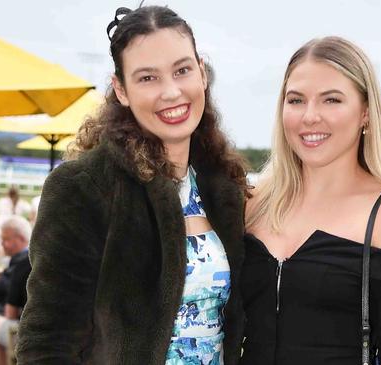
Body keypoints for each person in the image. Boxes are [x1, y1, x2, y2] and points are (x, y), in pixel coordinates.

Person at [16, 5, 248, 365]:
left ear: (202, 73)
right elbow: (46, 343)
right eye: (147, 78)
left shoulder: (224, 187)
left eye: (182, 70)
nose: (171, 92)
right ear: (120, 90)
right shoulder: (83, 188)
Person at [241, 36, 381, 365]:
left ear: (365, 112)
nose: (309, 116)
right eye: (296, 100)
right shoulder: (254, 202)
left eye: (331, 100)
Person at [0, 216, 32, 365]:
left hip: (32, 334)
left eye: (6, 239)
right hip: (74, 334)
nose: (2, 244)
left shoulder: (22, 263)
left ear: (22, 238)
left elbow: (10, 313)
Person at [0, 186, 31, 257]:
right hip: (13, 228)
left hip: (3, 226)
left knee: (1, 247)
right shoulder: (21, 202)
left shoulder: (2, 201)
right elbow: (30, 210)